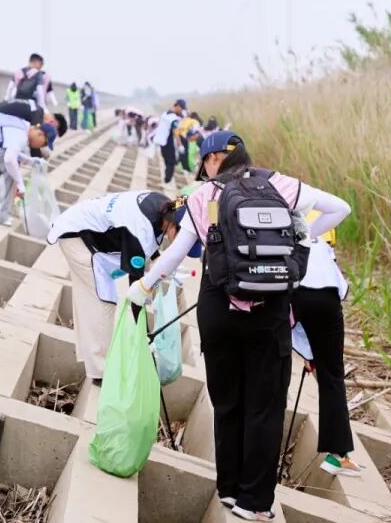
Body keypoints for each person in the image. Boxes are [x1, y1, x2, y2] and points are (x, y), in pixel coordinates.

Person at [128, 131, 351, 521]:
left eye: (206, 163)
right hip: (270, 313)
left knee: (227, 403)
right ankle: (254, 502)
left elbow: (177, 254)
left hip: (218, 309)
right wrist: (296, 241)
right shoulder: (282, 184)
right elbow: (340, 209)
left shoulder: (201, 198)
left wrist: (143, 287)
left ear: (214, 159)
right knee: (264, 408)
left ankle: (229, 489)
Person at [47, 191, 192, 383]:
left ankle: (93, 357)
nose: (184, 245)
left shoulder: (164, 205)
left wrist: (159, 259)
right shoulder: (140, 230)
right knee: (102, 301)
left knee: (93, 298)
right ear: (173, 225)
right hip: (76, 235)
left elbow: (148, 246)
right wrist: (144, 336)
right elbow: (136, 293)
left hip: (81, 224)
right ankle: (101, 373)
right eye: (185, 239)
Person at [292, 232, 362, 477]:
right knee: (332, 375)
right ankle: (338, 455)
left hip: (289, 292)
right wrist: (315, 356)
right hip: (325, 296)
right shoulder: (321, 238)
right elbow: (342, 290)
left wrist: (307, 353)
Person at [153, 99, 186, 187]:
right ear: (178, 106)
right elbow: (175, 133)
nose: (182, 110)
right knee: (171, 162)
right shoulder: (174, 118)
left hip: (161, 141)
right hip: (167, 141)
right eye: (182, 108)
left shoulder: (165, 113)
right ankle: (167, 181)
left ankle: (166, 179)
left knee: (167, 161)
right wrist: (180, 145)